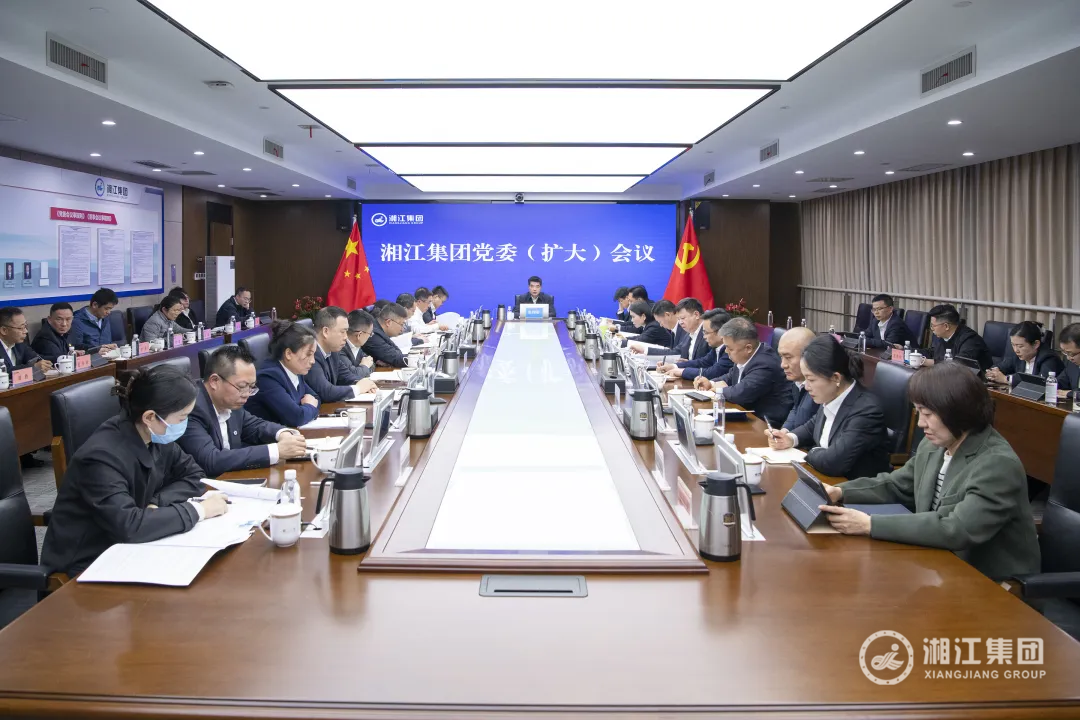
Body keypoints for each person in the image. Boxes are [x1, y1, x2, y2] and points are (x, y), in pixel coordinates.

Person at [817, 363, 1040, 580]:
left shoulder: (997, 463)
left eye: (928, 414)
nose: (921, 424)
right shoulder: (935, 445)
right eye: (918, 412)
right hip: (936, 563)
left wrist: (870, 524)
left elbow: (957, 528)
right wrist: (840, 492)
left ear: (957, 411)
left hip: (991, 582)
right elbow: (897, 485)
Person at [40, 365, 228, 576]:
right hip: (87, 565)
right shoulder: (100, 458)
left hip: (130, 548)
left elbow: (194, 475)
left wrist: (157, 502)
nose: (184, 424)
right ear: (150, 417)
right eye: (182, 418)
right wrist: (198, 510)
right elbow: (129, 526)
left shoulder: (155, 435)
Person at [766, 336, 891, 480]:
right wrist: (790, 438)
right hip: (825, 479)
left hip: (852, 486)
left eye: (811, 380)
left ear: (836, 378)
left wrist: (811, 452)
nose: (806, 386)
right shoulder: (833, 395)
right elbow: (813, 425)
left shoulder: (866, 411)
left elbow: (833, 463)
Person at [177, 345, 308, 476]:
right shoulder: (191, 408)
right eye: (242, 386)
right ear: (214, 381)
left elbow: (254, 426)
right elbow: (211, 461)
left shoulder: (231, 402)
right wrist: (276, 451)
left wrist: (282, 434)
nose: (246, 394)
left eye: (251, 387)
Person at [693, 316, 793, 426]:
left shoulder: (765, 364)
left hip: (765, 424)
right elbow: (730, 376)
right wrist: (710, 383)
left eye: (730, 348)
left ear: (748, 348)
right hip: (748, 417)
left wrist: (717, 390)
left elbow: (740, 394)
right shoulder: (744, 355)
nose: (726, 351)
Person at [244, 320, 321, 427]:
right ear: (288, 354)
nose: (313, 361)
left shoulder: (295, 370)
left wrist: (306, 408)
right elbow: (296, 417)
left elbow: (316, 398)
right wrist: (309, 406)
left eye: (313, 355)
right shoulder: (267, 378)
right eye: (308, 354)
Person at [307, 306, 379, 402]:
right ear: (325, 331)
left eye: (346, 331)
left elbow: (347, 376)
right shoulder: (310, 355)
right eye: (342, 332)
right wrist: (358, 388)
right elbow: (326, 392)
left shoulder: (333, 351)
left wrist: (365, 384)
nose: (346, 337)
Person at [657, 309, 733, 380]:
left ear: (720, 333)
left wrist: (682, 372)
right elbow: (702, 362)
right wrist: (673, 366)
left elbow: (712, 373)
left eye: (706, 333)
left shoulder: (730, 350)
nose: (704, 337)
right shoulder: (716, 348)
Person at [985, 321, 1064, 385]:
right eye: (1013, 345)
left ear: (1036, 344)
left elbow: (1041, 383)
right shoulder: (1018, 356)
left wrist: (1006, 379)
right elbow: (1000, 366)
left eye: (1020, 346)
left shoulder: (1049, 358)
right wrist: (992, 373)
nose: (1016, 350)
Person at [924, 304, 992, 371]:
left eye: (933, 325)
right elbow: (934, 352)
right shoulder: (944, 335)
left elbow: (958, 364)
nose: (931, 328)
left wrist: (927, 362)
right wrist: (918, 355)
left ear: (946, 326)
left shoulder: (970, 339)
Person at [777, 326, 818, 430]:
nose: (783, 365)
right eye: (781, 357)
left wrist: (791, 436)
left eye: (788, 357)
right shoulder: (798, 381)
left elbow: (812, 428)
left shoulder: (821, 388)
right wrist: (784, 431)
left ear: (809, 356)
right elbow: (796, 409)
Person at [0, 306, 51, 375]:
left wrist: (59, 359)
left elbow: (35, 358)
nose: (26, 331)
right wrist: (33, 368)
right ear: (4, 330)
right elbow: (4, 372)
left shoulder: (19, 344)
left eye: (25, 326)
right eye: (21, 328)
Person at [362, 302, 410, 368]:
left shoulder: (380, 330)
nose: (402, 329)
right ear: (388, 322)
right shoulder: (372, 334)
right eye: (401, 324)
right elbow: (396, 358)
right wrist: (417, 359)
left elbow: (398, 352)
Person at [70, 287, 119, 352]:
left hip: (108, 356)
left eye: (110, 309)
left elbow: (107, 342)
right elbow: (76, 347)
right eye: (106, 308)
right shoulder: (77, 321)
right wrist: (97, 350)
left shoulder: (105, 317)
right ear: (95, 305)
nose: (108, 312)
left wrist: (110, 346)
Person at [341, 309, 375, 378]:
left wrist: (362, 368)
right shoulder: (340, 347)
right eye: (370, 334)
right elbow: (352, 375)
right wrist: (364, 366)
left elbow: (371, 363)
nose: (370, 336)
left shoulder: (356, 345)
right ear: (359, 335)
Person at [1057, 322, 1080, 393]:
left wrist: (1070, 393)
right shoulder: (1071, 364)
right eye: (1065, 353)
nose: (1068, 358)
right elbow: (1060, 382)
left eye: (1071, 353)